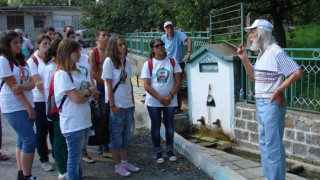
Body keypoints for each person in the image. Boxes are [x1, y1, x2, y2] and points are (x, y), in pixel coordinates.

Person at [237, 19, 303, 180]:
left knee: (272, 145)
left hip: (270, 103)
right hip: (262, 102)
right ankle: (270, 177)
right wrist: (244, 59)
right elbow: (254, 78)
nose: (250, 35)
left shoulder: (275, 51)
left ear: (263, 33)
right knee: (265, 143)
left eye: (253, 31)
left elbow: (296, 72)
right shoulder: (262, 53)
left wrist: (279, 90)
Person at [0, 30, 40, 180]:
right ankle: (27, 176)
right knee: (30, 140)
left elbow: (31, 83)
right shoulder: (3, 60)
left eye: (20, 42)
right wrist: (28, 106)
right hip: (14, 106)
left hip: (27, 102)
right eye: (15, 42)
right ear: (6, 44)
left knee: (22, 140)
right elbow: (13, 88)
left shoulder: (21, 60)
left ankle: (21, 173)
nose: (19, 45)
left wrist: (24, 87)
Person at [54, 38, 96, 180]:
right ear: (67, 52)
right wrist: (86, 93)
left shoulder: (77, 71)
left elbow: (91, 88)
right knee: (74, 157)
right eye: (77, 51)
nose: (80, 54)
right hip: (73, 123)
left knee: (78, 156)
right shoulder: (62, 74)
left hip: (83, 120)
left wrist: (84, 93)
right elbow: (77, 99)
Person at [101, 34, 139, 177]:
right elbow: (108, 85)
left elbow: (129, 83)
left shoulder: (126, 61)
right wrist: (112, 105)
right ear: (113, 46)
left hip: (127, 104)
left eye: (124, 44)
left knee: (126, 135)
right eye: (120, 45)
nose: (124, 47)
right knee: (116, 136)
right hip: (116, 106)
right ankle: (117, 165)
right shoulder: (109, 62)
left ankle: (124, 161)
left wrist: (133, 101)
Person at [141, 38, 181, 163]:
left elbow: (178, 81)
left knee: (169, 126)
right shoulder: (148, 64)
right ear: (153, 49)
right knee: (156, 126)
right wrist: (160, 98)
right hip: (154, 101)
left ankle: (169, 150)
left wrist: (169, 96)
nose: (161, 47)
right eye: (157, 45)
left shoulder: (172, 62)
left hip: (170, 100)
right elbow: (146, 85)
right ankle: (158, 152)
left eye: (162, 44)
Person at [27, 34, 54, 171]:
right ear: (37, 45)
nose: (47, 46)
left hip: (50, 99)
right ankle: (43, 158)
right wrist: (48, 100)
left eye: (49, 44)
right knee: (42, 130)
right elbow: (39, 83)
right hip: (40, 100)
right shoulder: (33, 61)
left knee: (53, 128)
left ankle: (57, 154)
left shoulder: (50, 60)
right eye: (44, 44)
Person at [43, 38, 68, 179]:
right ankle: (62, 170)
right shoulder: (51, 67)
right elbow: (49, 92)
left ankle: (67, 166)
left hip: (66, 109)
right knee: (59, 139)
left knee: (65, 139)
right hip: (58, 109)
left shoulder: (63, 65)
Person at [70, 33, 95, 163]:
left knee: (86, 133)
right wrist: (88, 92)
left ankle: (84, 152)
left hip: (86, 102)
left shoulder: (84, 59)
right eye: (77, 43)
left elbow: (89, 80)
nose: (81, 45)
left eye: (81, 42)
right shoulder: (65, 71)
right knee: (74, 153)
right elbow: (76, 97)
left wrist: (89, 92)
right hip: (74, 111)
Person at [88, 29, 112, 158]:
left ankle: (107, 142)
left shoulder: (110, 51)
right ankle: (103, 146)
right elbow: (94, 73)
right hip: (102, 87)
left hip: (111, 86)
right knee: (102, 116)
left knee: (110, 115)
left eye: (107, 35)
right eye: (103, 35)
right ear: (97, 38)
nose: (106, 37)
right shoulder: (94, 53)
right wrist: (107, 83)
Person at [161, 21, 192, 114]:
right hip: (168, 63)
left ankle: (177, 107)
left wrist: (188, 52)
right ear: (165, 29)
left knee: (178, 85)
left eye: (171, 27)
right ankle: (168, 104)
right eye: (167, 28)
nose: (169, 30)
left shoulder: (178, 34)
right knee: (168, 84)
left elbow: (189, 40)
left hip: (178, 63)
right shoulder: (163, 38)